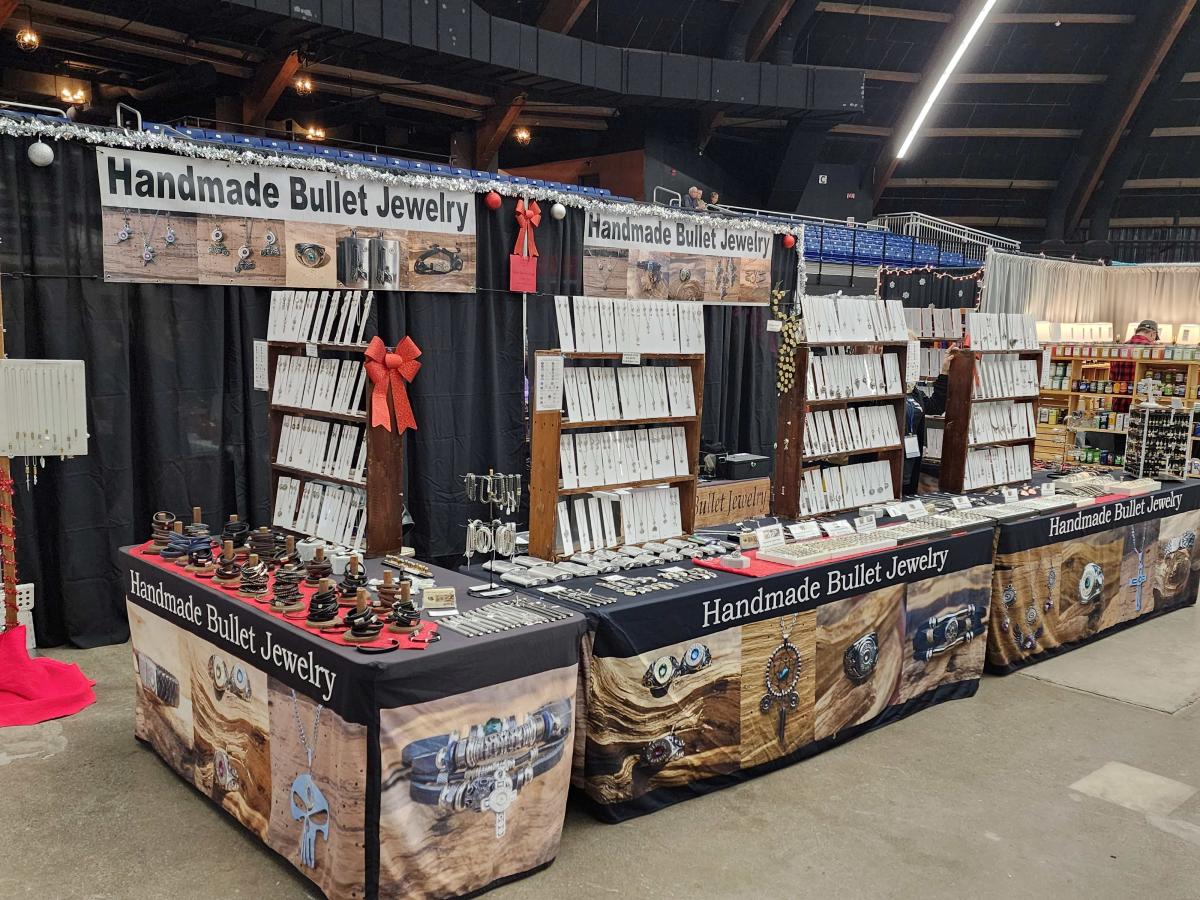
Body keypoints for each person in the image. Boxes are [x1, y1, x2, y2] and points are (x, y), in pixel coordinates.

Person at [1110, 319, 1158, 412]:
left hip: (1119, 403)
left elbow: (1112, 377)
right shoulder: (1153, 350)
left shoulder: (1119, 348)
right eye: (1155, 337)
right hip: (1142, 405)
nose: (1154, 340)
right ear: (1153, 333)